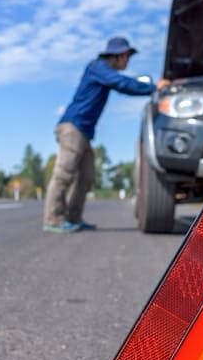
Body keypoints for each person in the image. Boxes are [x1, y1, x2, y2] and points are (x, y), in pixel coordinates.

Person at [43, 36, 169, 233]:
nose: (127, 61)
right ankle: (53, 219)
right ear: (118, 56)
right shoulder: (97, 67)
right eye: (127, 57)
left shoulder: (104, 71)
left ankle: (73, 218)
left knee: (86, 176)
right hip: (72, 128)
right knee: (64, 174)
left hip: (83, 132)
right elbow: (122, 83)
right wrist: (153, 88)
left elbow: (121, 85)